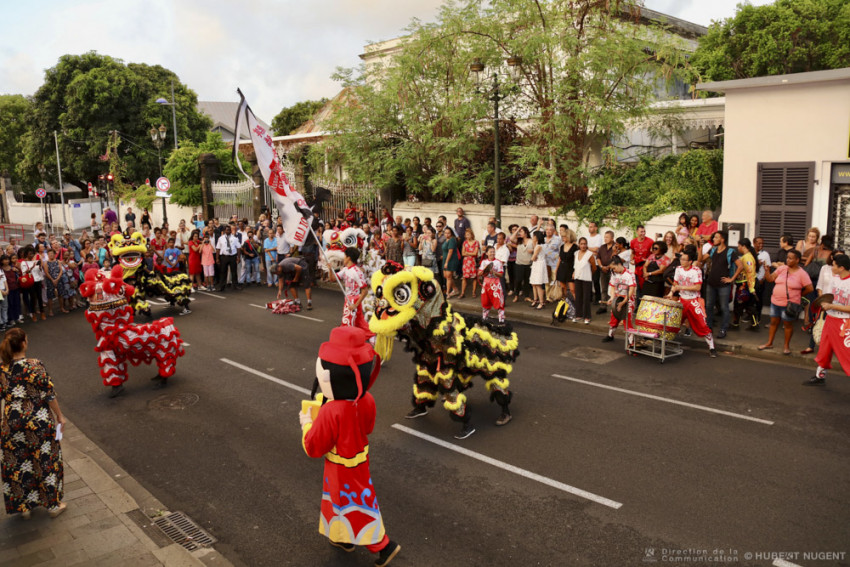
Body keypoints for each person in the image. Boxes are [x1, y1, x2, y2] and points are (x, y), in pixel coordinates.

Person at [299, 326, 401, 566]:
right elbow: (367, 428)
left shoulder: (331, 411)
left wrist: (307, 424)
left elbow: (313, 447)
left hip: (339, 465)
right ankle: (343, 537)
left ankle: (384, 545)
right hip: (359, 459)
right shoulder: (366, 399)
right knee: (345, 502)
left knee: (355, 506)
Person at [1, 328, 67, 520]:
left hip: (11, 422)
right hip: (37, 420)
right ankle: (53, 505)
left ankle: (24, 507)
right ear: (23, 343)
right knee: (45, 460)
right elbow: (49, 394)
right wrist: (60, 417)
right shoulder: (34, 365)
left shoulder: (2, 368)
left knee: (18, 464)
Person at [806, 254, 850, 385]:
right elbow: (828, 297)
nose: (831, 267)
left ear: (841, 267)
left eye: (834, 265)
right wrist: (822, 304)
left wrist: (831, 306)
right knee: (824, 350)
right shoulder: (834, 279)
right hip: (830, 319)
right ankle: (820, 376)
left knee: (847, 354)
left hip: (844, 323)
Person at [759, 249, 813, 355]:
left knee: (788, 325)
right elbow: (770, 279)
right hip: (775, 301)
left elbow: (810, 288)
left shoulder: (802, 273)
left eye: (790, 258)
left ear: (797, 260)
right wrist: (766, 271)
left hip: (789, 304)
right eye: (787, 257)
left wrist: (799, 295)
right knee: (773, 323)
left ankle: (786, 346)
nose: (787, 260)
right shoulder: (782, 269)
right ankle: (769, 343)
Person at [668, 248, 717, 357]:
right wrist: (671, 293)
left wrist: (681, 287)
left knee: (703, 325)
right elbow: (675, 283)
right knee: (672, 321)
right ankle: (665, 341)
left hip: (693, 301)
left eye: (684, 259)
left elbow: (697, 287)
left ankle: (712, 347)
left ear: (690, 261)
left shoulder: (696, 271)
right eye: (681, 258)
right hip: (682, 300)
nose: (681, 261)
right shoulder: (678, 269)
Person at [702, 231, 743, 339]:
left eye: (716, 237)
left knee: (724, 308)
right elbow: (701, 259)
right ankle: (708, 327)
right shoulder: (713, 249)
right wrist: (700, 246)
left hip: (723, 285)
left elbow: (740, 266)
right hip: (711, 283)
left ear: (722, 239)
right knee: (709, 306)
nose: (714, 239)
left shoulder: (730, 252)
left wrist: (731, 279)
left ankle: (723, 329)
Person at [601, 256, 635, 345]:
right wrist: (612, 298)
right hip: (617, 298)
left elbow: (631, 290)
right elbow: (612, 286)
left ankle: (631, 342)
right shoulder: (613, 274)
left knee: (627, 320)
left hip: (628, 299)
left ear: (619, 264)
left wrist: (623, 302)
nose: (613, 270)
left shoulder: (630, 274)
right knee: (614, 317)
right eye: (612, 269)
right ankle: (610, 335)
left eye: (614, 268)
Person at [338, 248, 371, 334]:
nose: (343, 258)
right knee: (360, 325)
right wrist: (329, 268)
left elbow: (365, 290)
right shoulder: (345, 269)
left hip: (352, 301)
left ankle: (348, 344)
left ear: (348, 258)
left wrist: (355, 304)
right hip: (348, 300)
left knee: (347, 326)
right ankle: (372, 338)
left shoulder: (357, 271)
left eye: (345, 256)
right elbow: (333, 278)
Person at [732, 238, 758, 330]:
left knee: (739, 305)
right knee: (746, 305)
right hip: (743, 284)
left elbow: (750, 273)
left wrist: (751, 288)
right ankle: (754, 324)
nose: (738, 248)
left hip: (743, 285)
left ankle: (736, 324)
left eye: (739, 246)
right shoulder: (747, 256)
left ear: (743, 246)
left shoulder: (747, 257)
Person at [478, 246, 506, 323]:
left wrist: (494, 272)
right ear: (486, 253)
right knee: (485, 301)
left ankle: (501, 319)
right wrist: (484, 270)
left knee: (498, 302)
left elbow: (501, 275)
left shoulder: (498, 262)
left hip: (495, 284)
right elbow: (479, 273)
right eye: (491, 252)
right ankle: (484, 318)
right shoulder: (484, 262)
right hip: (486, 284)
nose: (492, 253)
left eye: (493, 251)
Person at [573, 237, 596, 324]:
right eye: (581, 244)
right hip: (577, 278)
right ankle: (578, 315)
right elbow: (575, 265)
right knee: (578, 297)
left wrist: (589, 274)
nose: (583, 245)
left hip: (586, 278)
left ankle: (587, 316)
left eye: (585, 244)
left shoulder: (589, 254)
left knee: (586, 298)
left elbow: (594, 267)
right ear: (579, 244)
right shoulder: (576, 253)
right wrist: (574, 272)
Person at [511, 227, 533, 303]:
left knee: (527, 281)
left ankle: (526, 296)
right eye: (519, 232)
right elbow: (511, 238)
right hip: (519, 264)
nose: (520, 233)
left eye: (521, 231)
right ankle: (516, 295)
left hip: (528, 264)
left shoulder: (531, 241)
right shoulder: (518, 241)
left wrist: (532, 251)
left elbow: (536, 248)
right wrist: (517, 230)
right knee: (518, 280)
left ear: (526, 232)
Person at [216, 225, 241, 292]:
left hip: (232, 256)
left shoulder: (235, 238)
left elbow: (238, 248)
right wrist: (217, 258)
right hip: (224, 256)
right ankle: (222, 286)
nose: (228, 231)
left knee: (234, 271)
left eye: (229, 230)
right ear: (224, 231)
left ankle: (235, 285)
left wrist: (238, 257)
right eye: (227, 230)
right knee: (223, 272)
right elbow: (218, 248)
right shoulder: (221, 238)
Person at [630, 225, 653, 294]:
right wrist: (631, 260)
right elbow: (633, 253)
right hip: (637, 268)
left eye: (644, 231)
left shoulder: (650, 241)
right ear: (637, 232)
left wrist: (647, 261)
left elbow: (653, 254)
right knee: (638, 288)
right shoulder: (633, 242)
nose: (643, 233)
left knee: (646, 287)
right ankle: (638, 304)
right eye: (641, 232)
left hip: (647, 267)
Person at [555, 228, 577, 298]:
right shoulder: (562, 246)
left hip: (570, 268)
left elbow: (576, 260)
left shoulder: (575, 247)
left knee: (572, 289)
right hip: (562, 268)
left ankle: (576, 305)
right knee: (563, 287)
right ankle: (566, 304)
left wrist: (575, 271)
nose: (563, 238)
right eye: (562, 237)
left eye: (564, 236)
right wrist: (556, 270)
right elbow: (559, 259)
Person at [529, 232, 548, 309]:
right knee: (534, 283)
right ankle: (535, 299)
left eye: (534, 236)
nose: (532, 237)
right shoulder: (538, 245)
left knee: (538, 284)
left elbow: (533, 257)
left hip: (539, 265)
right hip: (537, 264)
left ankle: (541, 302)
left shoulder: (539, 246)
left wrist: (533, 257)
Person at [586, 222, 604, 302]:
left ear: (596, 228)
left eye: (591, 227)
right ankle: (589, 297)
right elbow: (584, 249)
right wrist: (591, 250)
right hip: (588, 261)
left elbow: (596, 249)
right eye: (589, 227)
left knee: (596, 280)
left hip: (596, 262)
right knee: (588, 280)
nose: (590, 228)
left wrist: (588, 248)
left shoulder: (598, 237)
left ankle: (598, 298)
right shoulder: (587, 237)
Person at [460, 228, 480, 298]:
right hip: (466, 262)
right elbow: (462, 253)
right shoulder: (465, 242)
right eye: (466, 235)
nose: (467, 236)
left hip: (473, 261)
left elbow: (475, 253)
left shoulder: (476, 242)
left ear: (472, 235)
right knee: (465, 277)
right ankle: (462, 293)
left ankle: (473, 292)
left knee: (474, 277)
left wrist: (467, 253)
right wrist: (471, 253)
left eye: (468, 235)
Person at [441, 227, 460, 298]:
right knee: (446, 276)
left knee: (449, 276)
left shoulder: (452, 240)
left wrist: (446, 262)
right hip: (445, 259)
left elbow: (450, 252)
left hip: (451, 260)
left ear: (451, 233)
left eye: (448, 233)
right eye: (445, 233)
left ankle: (447, 293)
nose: (446, 234)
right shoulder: (446, 240)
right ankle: (455, 289)